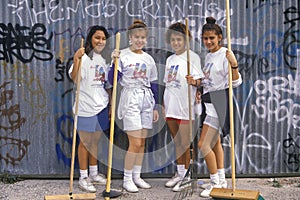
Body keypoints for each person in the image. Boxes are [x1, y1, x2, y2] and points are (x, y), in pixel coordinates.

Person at [109, 20, 159, 193]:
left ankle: (137, 176)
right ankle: (127, 178)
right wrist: (114, 63)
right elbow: (111, 81)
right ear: (130, 37)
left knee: (142, 142)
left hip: (146, 98)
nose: (139, 40)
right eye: (136, 37)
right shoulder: (122, 55)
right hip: (130, 97)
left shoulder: (148, 58)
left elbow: (153, 83)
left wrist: (155, 107)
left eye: (143, 37)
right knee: (135, 142)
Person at [197, 17, 242, 198]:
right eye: (205, 38)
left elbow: (236, 82)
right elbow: (210, 81)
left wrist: (234, 64)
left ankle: (215, 184)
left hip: (219, 102)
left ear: (220, 38)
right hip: (208, 101)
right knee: (215, 143)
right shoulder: (208, 56)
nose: (208, 42)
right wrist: (198, 84)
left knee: (203, 144)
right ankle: (221, 179)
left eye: (212, 38)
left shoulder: (225, 54)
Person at [69, 25, 112, 193]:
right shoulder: (84, 58)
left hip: (101, 105)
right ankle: (83, 177)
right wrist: (75, 59)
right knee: (85, 143)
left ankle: (94, 173)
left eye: (103, 38)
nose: (100, 41)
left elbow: (108, 84)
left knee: (96, 141)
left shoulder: (104, 60)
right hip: (86, 107)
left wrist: (110, 105)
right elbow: (75, 79)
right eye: (97, 38)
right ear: (90, 39)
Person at [163, 22, 204, 192]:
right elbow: (167, 84)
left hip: (185, 106)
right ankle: (180, 174)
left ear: (186, 40)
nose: (176, 43)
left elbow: (200, 81)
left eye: (179, 39)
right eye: (173, 39)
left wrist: (193, 82)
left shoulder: (192, 57)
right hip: (171, 104)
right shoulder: (169, 59)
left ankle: (187, 178)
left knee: (185, 143)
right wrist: (164, 106)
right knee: (177, 142)